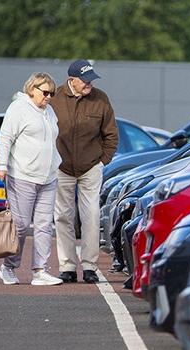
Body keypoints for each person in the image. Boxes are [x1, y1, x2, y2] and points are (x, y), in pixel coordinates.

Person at [50, 59, 119, 284]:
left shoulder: (101, 98)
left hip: (91, 166)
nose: (89, 84)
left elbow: (111, 134)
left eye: (91, 79)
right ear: (72, 80)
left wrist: (103, 161)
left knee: (91, 216)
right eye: (85, 80)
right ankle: (67, 267)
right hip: (62, 166)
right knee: (62, 217)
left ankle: (89, 267)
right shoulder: (55, 98)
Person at [0, 72, 64, 286]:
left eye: (52, 93)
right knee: (21, 225)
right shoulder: (19, 109)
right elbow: (5, 138)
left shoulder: (49, 111)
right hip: (22, 175)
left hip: (48, 177)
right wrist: (1, 165)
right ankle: (8, 267)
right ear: (31, 89)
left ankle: (40, 271)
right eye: (45, 92)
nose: (49, 97)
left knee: (44, 225)